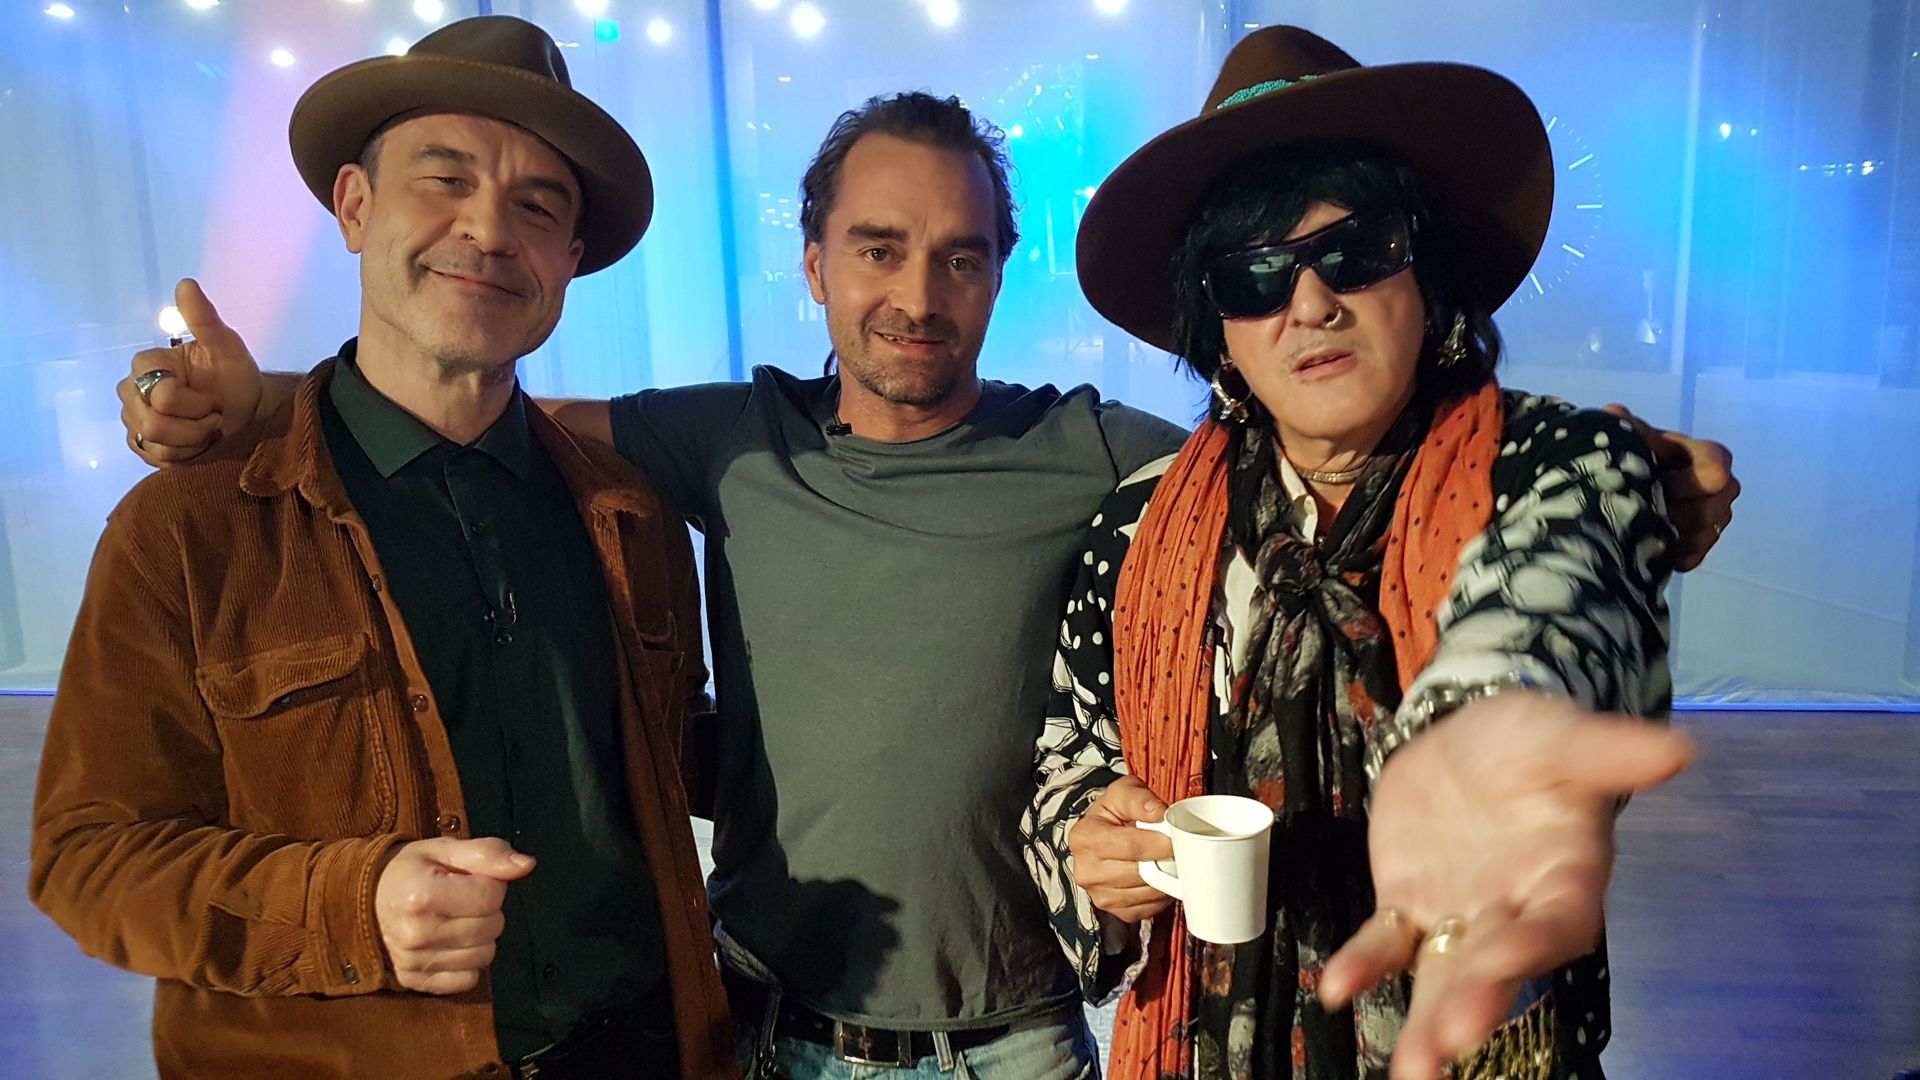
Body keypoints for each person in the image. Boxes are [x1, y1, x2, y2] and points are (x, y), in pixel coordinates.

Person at [113, 88, 1738, 1079]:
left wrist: (1623, 487)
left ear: (1000, 271)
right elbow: (476, 411)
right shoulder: (728, 440)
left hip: (1027, 1038)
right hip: (774, 1027)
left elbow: (1342, 468)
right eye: (879, 250)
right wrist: (255, 408)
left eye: (960, 255)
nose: (918, 293)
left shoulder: (1103, 459)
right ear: (815, 261)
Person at [31, 17, 733, 1079]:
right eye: (445, 180)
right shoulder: (187, 532)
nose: (488, 230)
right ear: (355, 206)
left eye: (538, 207)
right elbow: (87, 857)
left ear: (571, 260)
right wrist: (353, 907)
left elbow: (671, 755)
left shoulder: (628, 514)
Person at [1022, 26, 1696, 1080]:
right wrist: (1092, 842)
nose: (1309, 304)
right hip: (1205, 1046)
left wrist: (1482, 747)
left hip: (1475, 1033)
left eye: (1356, 251)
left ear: (1429, 277)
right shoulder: (1142, 521)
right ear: (1217, 329)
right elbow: (1072, 753)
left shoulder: (1560, 461)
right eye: (1254, 275)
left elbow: (1553, 611)